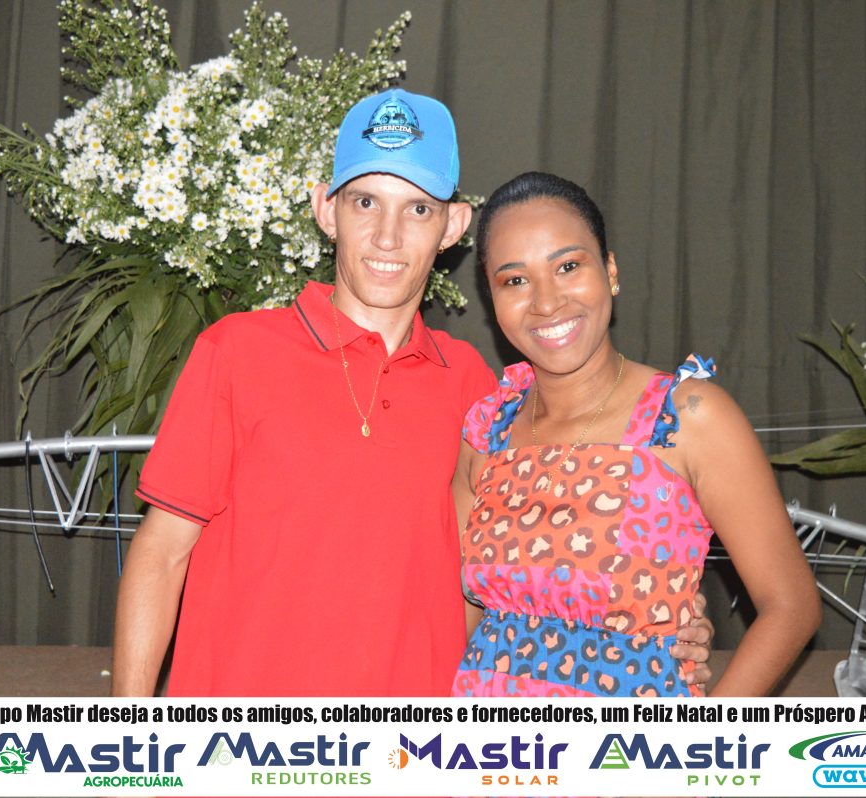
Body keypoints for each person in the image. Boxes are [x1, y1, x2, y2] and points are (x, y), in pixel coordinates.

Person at [112, 90, 713, 697]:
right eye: (365, 202)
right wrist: (131, 736)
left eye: (418, 209)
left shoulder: (479, 390)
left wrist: (657, 617)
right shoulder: (238, 351)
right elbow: (161, 554)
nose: (387, 236)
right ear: (326, 210)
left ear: (453, 226)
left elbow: (550, 552)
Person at [452, 172, 820, 698]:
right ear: (491, 298)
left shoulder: (687, 417)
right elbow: (458, 618)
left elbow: (791, 606)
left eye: (568, 266)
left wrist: (702, 739)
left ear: (611, 272)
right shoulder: (487, 430)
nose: (546, 302)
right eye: (515, 280)